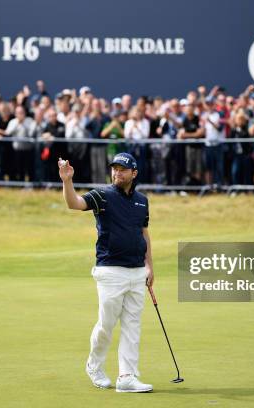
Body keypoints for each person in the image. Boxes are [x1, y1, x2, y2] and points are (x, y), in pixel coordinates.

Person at [59, 152, 154, 393]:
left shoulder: (142, 201)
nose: (117, 173)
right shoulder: (102, 195)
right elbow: (74, 203)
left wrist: (149, 265)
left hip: (136, 271)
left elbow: (143, 233)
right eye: (114, 168)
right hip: (110, 270)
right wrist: (67, 181)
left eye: (122, 169)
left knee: (133, 326)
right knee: (107, 324)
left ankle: (127, 376)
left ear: (134, 173)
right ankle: (94, 365)